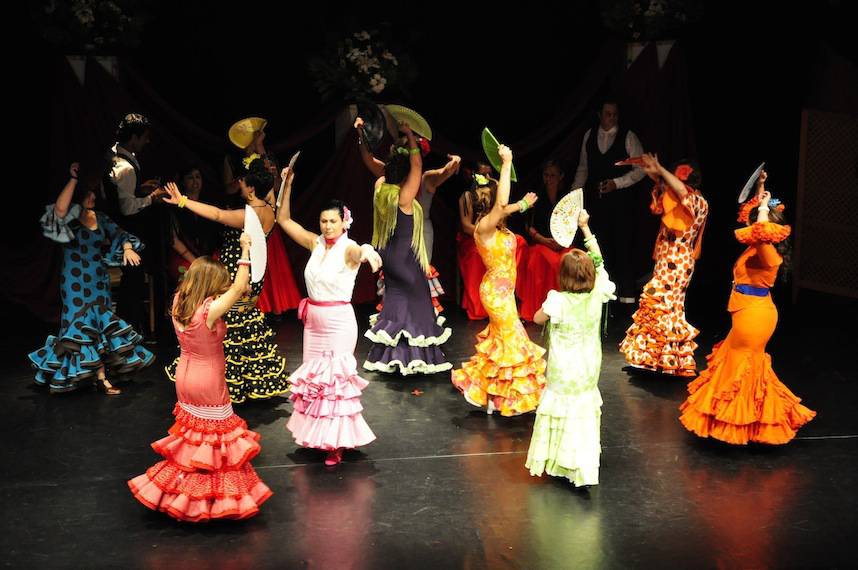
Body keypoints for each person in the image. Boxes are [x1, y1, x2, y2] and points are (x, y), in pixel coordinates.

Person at [128, 235, 273, 521]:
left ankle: (182, 494)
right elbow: (238, 287)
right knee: (216, 444)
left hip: (184, 376)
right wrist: (245, 250)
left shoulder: (180, 301)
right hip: (208, 380)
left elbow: (234, 294)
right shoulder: (208, 311)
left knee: (193, 443)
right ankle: (209, 503)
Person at [679, 177, 816, 444]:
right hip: (745, 311)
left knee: (743, 366)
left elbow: (761, 229)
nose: (750, 225)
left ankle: (746, 424)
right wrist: (760, 192)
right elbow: (752, 219)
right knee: (736, 362)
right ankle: (740, 421)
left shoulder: (767, 253)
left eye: (758, 222)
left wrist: (764, 209)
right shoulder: (757, 247)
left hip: (755, 316)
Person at [276, 166, 381, 465]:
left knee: (334, 383)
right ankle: (316, 436)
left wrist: (367, 252)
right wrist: (287, 184)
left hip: (338, 323)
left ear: (344, 222)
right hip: (313, 323)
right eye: (323, 221)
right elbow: (283, 220)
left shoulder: (348, 247)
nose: (327, 226)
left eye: (333, 221)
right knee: (314, 381)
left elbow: (360, 253)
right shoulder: (315, 243)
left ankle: (337, 443)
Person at [162, 158, 289, 403]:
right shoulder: (269, 209)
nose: (238, 184)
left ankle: (229, 383)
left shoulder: (248, 215)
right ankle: (247, 380)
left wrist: (183, 201)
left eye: (242, 182)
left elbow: (218, 214)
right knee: (243, 323)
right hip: (254, 273)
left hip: (237, 273)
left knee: (229, 325)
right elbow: (269, 191)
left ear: (251, 189)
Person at [29, 163, 153, 394]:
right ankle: (94, 376)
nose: (93, 196)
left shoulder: (101, 218)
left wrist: (127, 248)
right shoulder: (69, 218)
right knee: (78, 326)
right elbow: (59, 211)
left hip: (98, 279)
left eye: (94, 192)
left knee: (99, 325)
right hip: (74, 281)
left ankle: (100, 376)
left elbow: (120, 234)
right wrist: (74, 180)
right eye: (88, 193)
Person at [451, 145, 546, 415]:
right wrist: (506, 163)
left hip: (504, 292)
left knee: (500, 343)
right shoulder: (483, 228)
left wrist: (522, 205)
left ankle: (486, 393)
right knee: (513, 340)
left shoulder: (499, 228)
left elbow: (505, 207)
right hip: (495, 293)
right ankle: (509, 397)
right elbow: (503, 204)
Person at [526, 209, 616, 486]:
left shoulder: (557, 300)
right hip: (588, 369)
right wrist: (585, 228)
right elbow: (599, 261)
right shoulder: (598, 294)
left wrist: (545, 309)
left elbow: (536, 318)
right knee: (581, 414)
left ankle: (559, 462)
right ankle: (579, 464)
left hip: (563, 371)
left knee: (561, 411)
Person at [360, 121, 452, 375]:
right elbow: (417, 165)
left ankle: (391, 356)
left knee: (396, 304)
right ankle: (415, 357)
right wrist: (411, 136)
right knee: (419, 305)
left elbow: (368, 159)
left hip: (388, 258)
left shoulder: (381, 187)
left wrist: (361, 134)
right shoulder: (404, 197)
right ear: (406, 174)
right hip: (406, 261)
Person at [355, 116, 459, 315]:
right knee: (398, 277)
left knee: (417, 274)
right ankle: (400, 312)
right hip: (394, 231)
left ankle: (418, 312)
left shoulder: (425, 179)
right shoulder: (390, 177)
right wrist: (362, 135)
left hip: (419, 233)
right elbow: (368, 158)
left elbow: (444, 172)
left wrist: (454, 163)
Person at [620, 153, 708, 377]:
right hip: (669, 259)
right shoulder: (682, 199)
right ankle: (661, 360)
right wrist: (656, 175)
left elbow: (679, 190)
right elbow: (671, 189)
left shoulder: (696, 201)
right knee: (665, 307)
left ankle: (663, 360)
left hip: (677, 260)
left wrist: (660, 168)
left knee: (662, 304)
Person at [569, 101, 646, 304]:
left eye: (614, 114)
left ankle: (626, 298)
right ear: (599, 115)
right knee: (598, 245)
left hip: (621, 203)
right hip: (596, 203)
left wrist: (617, 183)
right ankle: (600, 296)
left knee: (622, 245)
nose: (611, 118)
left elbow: (641, 169)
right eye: (607, 114)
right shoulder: (589, 135)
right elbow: (583, 168)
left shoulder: (628, 136)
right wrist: (573, 196)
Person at [108, 113, 169, 337]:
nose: (147, 141)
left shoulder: (116, 154)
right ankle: (127, 330)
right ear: (134, 137)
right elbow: (127, 208)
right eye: (144, 137)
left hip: (119, 229)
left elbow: (122, 192)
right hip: (125, 232)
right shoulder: (125, 167)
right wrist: (152, 198)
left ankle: (129, 327)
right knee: (133, 281)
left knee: (133, 280)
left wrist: (140, 189)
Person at [519, 160, 573, 321]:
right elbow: (528, 226)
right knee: (538, 257)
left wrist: (561, 241)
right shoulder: (536, 197)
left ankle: (566, 310)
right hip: (540, 243)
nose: (549, 179)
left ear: (561, 176)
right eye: (546, 175)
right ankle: (537, 308)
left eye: (553, 175)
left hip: (562, 243)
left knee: (571, 257)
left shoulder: (567, 197)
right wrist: (542, 239)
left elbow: (572, 225)